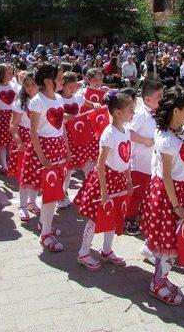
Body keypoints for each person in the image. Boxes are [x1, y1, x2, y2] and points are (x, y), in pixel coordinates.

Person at [140, 86, 184, 306]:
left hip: (179, 191)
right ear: (175, 111)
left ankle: (160, 272)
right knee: (169, 242)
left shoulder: (179, 131)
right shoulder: (166, 141)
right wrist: (176, 205)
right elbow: (166, 177)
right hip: (168, 196)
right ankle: (158, 283)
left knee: (170, 240)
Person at [74, 90, 135, 271]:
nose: (133, 113)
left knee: (114, 214)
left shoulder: (126, 131)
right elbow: (100, 164)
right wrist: (103, 191)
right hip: (105, 180)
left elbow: (127, 158)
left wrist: (129, 180)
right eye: (130, 110)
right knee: (95, 216)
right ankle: (83, 253)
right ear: (118, 113)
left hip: (118, 179)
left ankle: (107, 250)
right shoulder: (109, 133)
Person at [20, 63, 70, 252]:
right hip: (44, 152)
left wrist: (66, 147)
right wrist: (42, 158)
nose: (62, 81)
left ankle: (45, 224)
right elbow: (33, 133)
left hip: (57, 150)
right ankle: (45, 235)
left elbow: (60, 127)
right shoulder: (37, 101)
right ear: (49, 80)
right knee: (50, 195)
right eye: (59, 77)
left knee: (54, 192)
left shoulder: (58, 98)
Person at [124, 79, 164, 235]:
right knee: (137, 193)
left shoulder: (154, 113)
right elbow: (128, 131)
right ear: (147, 99)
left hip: (150, 162)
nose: (162, 99)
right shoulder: (141, 114)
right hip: (139, 162)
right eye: (159, 96)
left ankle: (137, 214)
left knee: (144, 192)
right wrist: (145, 140)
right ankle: (129, 218)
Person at [59, 71, 99, 209]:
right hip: (65, 136)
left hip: (79, 135)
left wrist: (98, 106)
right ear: (62, 86)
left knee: (84, 162)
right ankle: (63, 192)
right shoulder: (58, 99)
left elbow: (93, 104)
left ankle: (90, 191)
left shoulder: (79, 98)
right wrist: (66, 117)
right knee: (68, 166)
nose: (71, 89)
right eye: (68, 86)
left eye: (73, 86)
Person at [11, 71, 40, 220]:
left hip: (40, 141)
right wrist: (19, 142)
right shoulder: (20, 103)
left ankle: (32, 202)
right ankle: (22, 205)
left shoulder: (43, 101)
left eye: (32, 84)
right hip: (25, 141)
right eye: (26, 85)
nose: (29, 88)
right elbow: (13, 126)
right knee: (24, 175)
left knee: (36, 173)